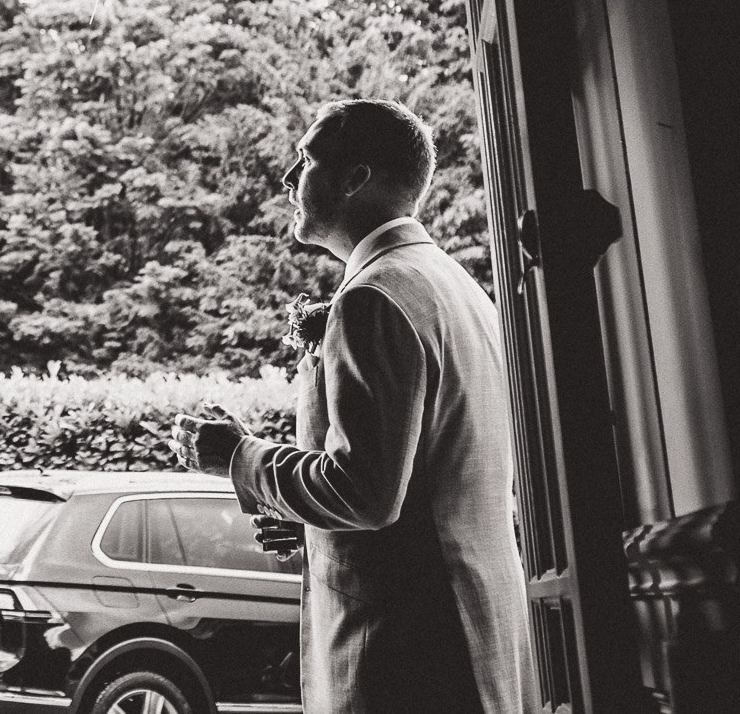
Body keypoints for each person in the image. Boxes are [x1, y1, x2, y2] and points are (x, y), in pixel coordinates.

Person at [176, 99, 532, 714]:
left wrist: (240, 456)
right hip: (475, 631)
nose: (288, 179)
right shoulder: (459, 288)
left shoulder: (373, 297)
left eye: (306, 159)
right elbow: (428, 483)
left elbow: (366, 491)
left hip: (406, 658)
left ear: (354, 178)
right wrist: (308, 518)